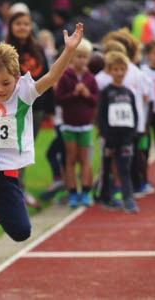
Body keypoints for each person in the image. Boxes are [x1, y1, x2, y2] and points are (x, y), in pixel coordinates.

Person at [0, 0, 83, 245]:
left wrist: (68, 51)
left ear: (17, 76)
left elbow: (52, 76)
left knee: (22, 232)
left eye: (5, 83)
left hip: (7, 177)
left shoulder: (23, 93)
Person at [6, 11, 55, 208]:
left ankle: (20, 187)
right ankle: (12, 189)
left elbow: (47, 76)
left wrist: (50, 106)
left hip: (36, 108)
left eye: (26, 24)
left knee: (26, 148)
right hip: (13, 108)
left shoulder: (38, 49)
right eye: (18, 23)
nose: (22, 27)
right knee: (12, 149)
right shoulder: (5, 50)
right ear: (11, 26)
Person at [56, 38, 98, 208]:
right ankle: (73, 192)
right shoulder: (66, 76)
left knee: (85, 159)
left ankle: (86, 192)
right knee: (71, 158)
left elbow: (96, 100)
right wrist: (74, 93)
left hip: (85, 125)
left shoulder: (90, 78)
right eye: (79, 56)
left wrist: (87, 94)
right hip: (69, 124)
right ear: (72, 57)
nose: (82, 60)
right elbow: (59, 98)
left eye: (85, 57)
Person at [97, 51, 139, 213]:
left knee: (124, 168)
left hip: (126, 138)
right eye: (116, 69)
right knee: (106, 168)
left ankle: (128, 199)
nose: (119, 73)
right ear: (109, 70)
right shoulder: (107, 92)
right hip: (110, 138)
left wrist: (132, 134)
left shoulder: (129, 93)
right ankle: (105, 196)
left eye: (122, 69)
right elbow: (101, 116)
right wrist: (105, 135)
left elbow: (133, 115)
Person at [141, 39, 155, 185]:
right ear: (148, 55)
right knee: (145, 146)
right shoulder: (143, 72)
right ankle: (142, 177)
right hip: (146, 115)